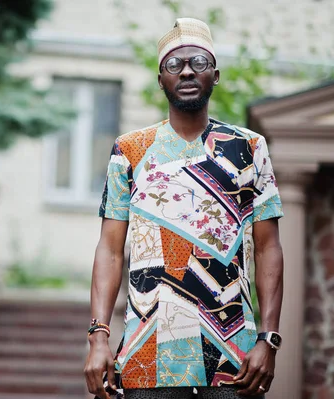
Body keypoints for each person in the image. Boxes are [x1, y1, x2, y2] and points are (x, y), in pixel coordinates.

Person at [84, 17, 285, 399]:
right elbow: (109, 250)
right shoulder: (130, 150)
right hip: (146, 360)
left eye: (198, 61)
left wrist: (269, 339)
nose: (187, 70)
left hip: (233, 361)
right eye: (174, 65)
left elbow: (268, 247)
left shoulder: (249, 148)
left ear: (216, 74)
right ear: (161, 80)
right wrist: (98, 337)